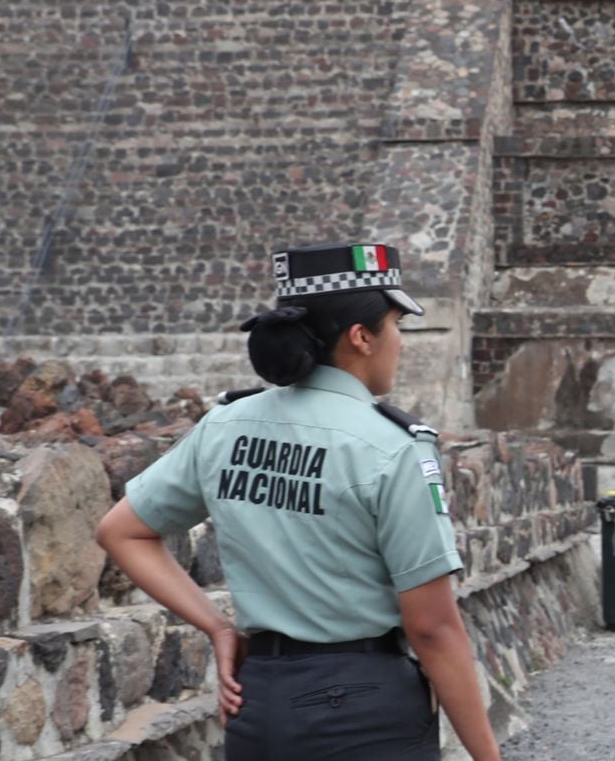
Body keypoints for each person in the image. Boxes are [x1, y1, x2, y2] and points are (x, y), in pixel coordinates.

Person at [96, 242, 501, 761]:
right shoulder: (392, 448)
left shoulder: (226, 424)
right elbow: (433, 628)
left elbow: (121, 531)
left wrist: (218, 627)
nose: (401, 341)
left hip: (259, 702)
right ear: (361, 338)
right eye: (397, 325)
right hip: (364, 710)